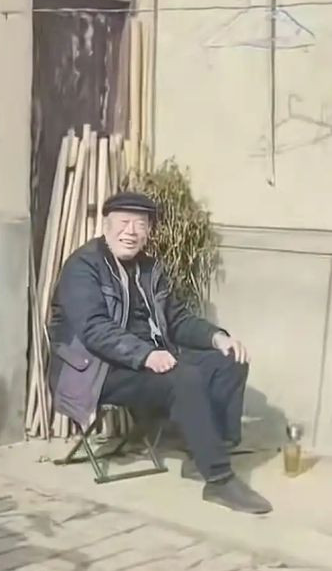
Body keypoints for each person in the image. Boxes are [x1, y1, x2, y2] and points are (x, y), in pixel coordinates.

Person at [48, 190, 272, 515]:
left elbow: (176, 319)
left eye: (140, 224)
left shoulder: (150, 268)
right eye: (124, 222)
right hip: (96, 370)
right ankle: (219, 480)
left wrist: (216, 337)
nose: (131, 232)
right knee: (183, 378)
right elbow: (95, 329)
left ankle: (208, 452)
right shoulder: (83, 267)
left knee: (229, 360)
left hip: (147, 361)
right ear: (106, 225)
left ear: (149, 231)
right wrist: (146, 355)